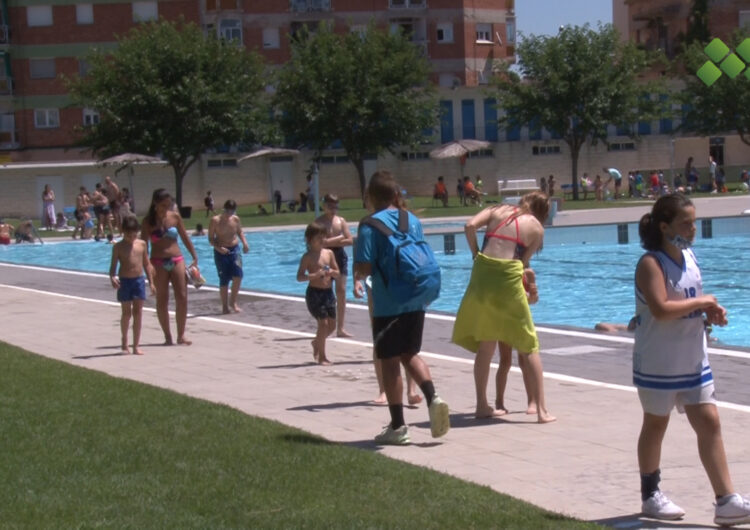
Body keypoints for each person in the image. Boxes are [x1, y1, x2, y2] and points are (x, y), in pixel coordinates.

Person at [633, 193, 750, 524]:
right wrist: (701, 303)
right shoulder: (650, 264)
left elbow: (689, 302)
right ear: (665, 226)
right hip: (659, 361)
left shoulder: (690, 257)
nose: (693, 228)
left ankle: (726, 500)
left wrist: (710, 311)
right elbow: (660, 309)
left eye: (694, 222)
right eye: (687, 223)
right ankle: (650, 494)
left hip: (693, 359)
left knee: (710, 422)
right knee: (656, 424)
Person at [353, 169, 450, 445]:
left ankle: (397, 427)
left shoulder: (369, 225)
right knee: (410, 352)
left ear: (370, 196)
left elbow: (364, 266)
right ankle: (433, 397)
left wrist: (358, 269)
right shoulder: (413, 220)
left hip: (388, 303)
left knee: (390, 361)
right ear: (396, 195)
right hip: (417, 297)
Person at [452, 191, 555, 423]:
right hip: (508, 277)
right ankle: (541, 411)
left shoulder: (497, 209)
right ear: (543, 212)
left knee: (486, 344)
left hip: (482, 272)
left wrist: (476, 253)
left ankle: (481, 405)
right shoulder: (537, 228)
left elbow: (469, 226)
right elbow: (522, 263)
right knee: (530, 344)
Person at [354, 275, 423, 406]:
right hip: (376, 282)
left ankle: (411, 391)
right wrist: (357, 280)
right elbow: (361, 256)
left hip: (404, 280)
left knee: (408, 340)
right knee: (379, 338)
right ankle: (383, 390)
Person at [141, 188, 198, 346]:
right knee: (162, 299)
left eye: (168, 204)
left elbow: (185, 237)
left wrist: (194, 255)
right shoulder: (147, 222)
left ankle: (181, 335)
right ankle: (167, 336)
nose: (166, 208)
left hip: (176, 259)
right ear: (155, 203)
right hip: (158, 262)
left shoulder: (174, 217)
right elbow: (143, 246)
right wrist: (147, 268)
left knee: (182, 296)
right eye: (163, 205)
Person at [109, 216, 155, 355]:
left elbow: (146, 264)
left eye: (133, 235)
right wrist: (112, 277)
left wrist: (151, 282)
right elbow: (113, 267)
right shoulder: (118, 247)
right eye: (128, 235)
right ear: (123, 232)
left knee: (138, 313)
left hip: (138, 281)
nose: (131, 238)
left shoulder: (141, 244)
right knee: (126, 313)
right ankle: (124, 341)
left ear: (137, 232)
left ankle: (136, 345)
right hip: (125, 282)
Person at [297, 221, 339, 365]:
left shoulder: (329, 253)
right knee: (323, 324)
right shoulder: (307, 257)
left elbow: (338, 273)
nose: (322, 240)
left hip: (328, 293)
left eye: (323, 237)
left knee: (332, 326)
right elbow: (300, 276)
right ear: (309, 240)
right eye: (318, 238)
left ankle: (317, 342)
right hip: (314, 293)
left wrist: (331, 272)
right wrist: (315, 275)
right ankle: (322, 356)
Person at [315, 194, 354, 337]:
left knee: (341, 291)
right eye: (330, 206)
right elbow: (319, 243)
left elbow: (350, 240)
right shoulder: (319, 223)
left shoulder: (341, 221)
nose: (333, 209)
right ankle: (324, 324)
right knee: (325, 291)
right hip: (325, 257)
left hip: (339, 256)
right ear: (324, 206)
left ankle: (341, 328)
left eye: (335, 206)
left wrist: (330, 241)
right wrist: (339, 238)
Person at [209, 199, 250, 314]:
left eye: (232, 212)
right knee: (224, 279)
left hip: (234, 250)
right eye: (228, 211)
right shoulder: (215, 221)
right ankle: (224, 306)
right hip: (221, 251)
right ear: (224, 209)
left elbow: (240, 232)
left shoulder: (235, 219)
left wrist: (245, 243)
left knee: (238, 275)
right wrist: (219, 249)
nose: (229, 214)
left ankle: (233, 302)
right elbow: (211, 239)